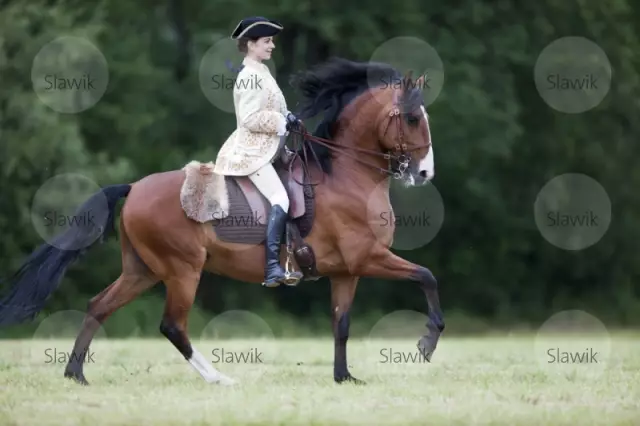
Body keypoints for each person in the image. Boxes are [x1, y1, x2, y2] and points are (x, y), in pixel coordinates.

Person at [213, 16, 303, 287]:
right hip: (251, 152)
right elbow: (251, 118)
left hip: (269, 149)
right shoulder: (250, 77)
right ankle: (273, 267)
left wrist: (289, 117)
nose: (272, 46)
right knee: (281, 198)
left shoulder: (262, 72)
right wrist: (280, 122)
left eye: (272, 41)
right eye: (267, 41)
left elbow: (273, 108)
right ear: (251, 45)